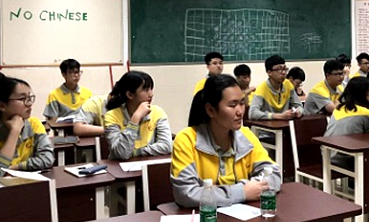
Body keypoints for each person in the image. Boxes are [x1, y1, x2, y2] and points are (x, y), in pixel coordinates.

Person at [171, 74, 281, 207]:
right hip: (207, 217)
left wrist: (252, 188)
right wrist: (242, 192)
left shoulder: (246, 135)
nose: (240, 112)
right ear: (210, 110)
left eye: (242, 103)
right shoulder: (186, 140)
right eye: (232, 105)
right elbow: (186, 194)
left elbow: (273, 174)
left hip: (243, 216)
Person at [0, 76, 54, 177]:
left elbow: (47, 159)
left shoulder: (34, 124)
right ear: (2, 106)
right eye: (22, 99)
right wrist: (14, 131)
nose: (29, 103)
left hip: (26, 182)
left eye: (29, 98)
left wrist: (15, 167)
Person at [104, 71, 172, 160]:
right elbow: (122, 153)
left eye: (151, 89)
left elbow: (167, 146)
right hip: (121, 167)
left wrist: (136, 152)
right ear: (130, 94)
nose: (151, 94)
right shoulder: (112, 116)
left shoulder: (157, 112)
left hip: (150, 164)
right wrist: (135, 118)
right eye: (146, 90)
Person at [248, 55, 303, 120]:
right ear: (269, 72)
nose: (283, 73)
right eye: (279, 70)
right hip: (267, 125)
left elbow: (299, 106)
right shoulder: (262, 89)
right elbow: (252, 113)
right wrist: (278, 116)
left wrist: (298, 111)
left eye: (285, 69)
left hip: (285, 124)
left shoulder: (288, 84)